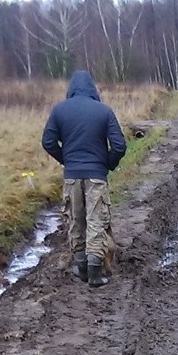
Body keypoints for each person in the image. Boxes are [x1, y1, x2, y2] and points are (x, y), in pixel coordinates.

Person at [42, 70, 127, 287]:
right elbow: (119, 146)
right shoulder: (103, 111)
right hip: (96, 176)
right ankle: (96, 273)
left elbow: (48, 142)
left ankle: (81, 268)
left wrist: (67, 161)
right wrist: (107, 164)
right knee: (96, 220)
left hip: (72, 175)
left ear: (70, 88)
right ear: (92, 89)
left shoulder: (59, 110)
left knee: (75, 220)